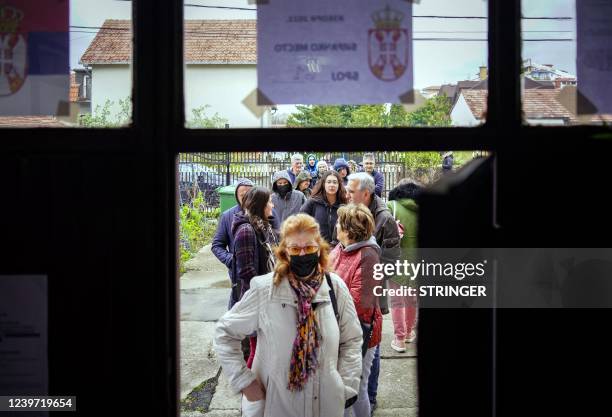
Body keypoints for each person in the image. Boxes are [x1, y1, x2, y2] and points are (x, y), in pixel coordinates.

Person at [214, 214, 363, 417]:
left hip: (326, 405)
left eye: (309, 248)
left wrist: (345, 386)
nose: (303, 254)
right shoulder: (265, 289)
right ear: (285, 252)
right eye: (295, 249)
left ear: (319, 249)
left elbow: (352, 340)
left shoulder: (335, 288)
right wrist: (244, 381)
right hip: (276, 405)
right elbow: (225, 332)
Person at [346, 172, 401, 413]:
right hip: (351, 291)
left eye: (350, 190)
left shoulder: (384, 218)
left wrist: (370, 277)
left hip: (373, 296)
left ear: (365, 193)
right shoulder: (351, 210)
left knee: (372, 347)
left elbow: (392, 259)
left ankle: (371, 395)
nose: (346, 194)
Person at [330, 204, 383, 417]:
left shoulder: (368, 256)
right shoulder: (341, 248)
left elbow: (360, 305)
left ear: (349, 230)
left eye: (339, 223)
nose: (335, 226)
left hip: (359, 334)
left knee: (356, 389)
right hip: (341, 331)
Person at [231, 187, 279, 368]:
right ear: (260, 206)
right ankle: (252, 390)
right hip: (257, 300)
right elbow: (246, 272)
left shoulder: (262, 227)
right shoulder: (246, 230)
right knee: (257, 350)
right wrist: (265, 294)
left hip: (266, 297)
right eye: (269, 202)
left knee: (263, 349)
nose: (272, 206)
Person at [387, 179, 423, 352]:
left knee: (396, 300)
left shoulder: (391, 206)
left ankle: (399, 339)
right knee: (412, 300)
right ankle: (409, 333)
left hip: (396, 259)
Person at [211, 178, 254, 308]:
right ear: (236, 196)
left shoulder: (265, 212)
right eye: (242, 195)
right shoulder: (227, 216)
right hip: (238, 274)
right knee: (238, 308)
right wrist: (231, 260)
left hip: (262, 272)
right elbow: (217, 245)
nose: (246, 197)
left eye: (249, 194)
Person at [299, 170, 347, 246]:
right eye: (329, 182)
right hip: (318, 249)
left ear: (339, 185)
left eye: (335, 182)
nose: (332, 185)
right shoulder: (313, 202)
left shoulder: (344, 204)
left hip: (340, 250)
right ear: (323, 184)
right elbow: (300, 222)